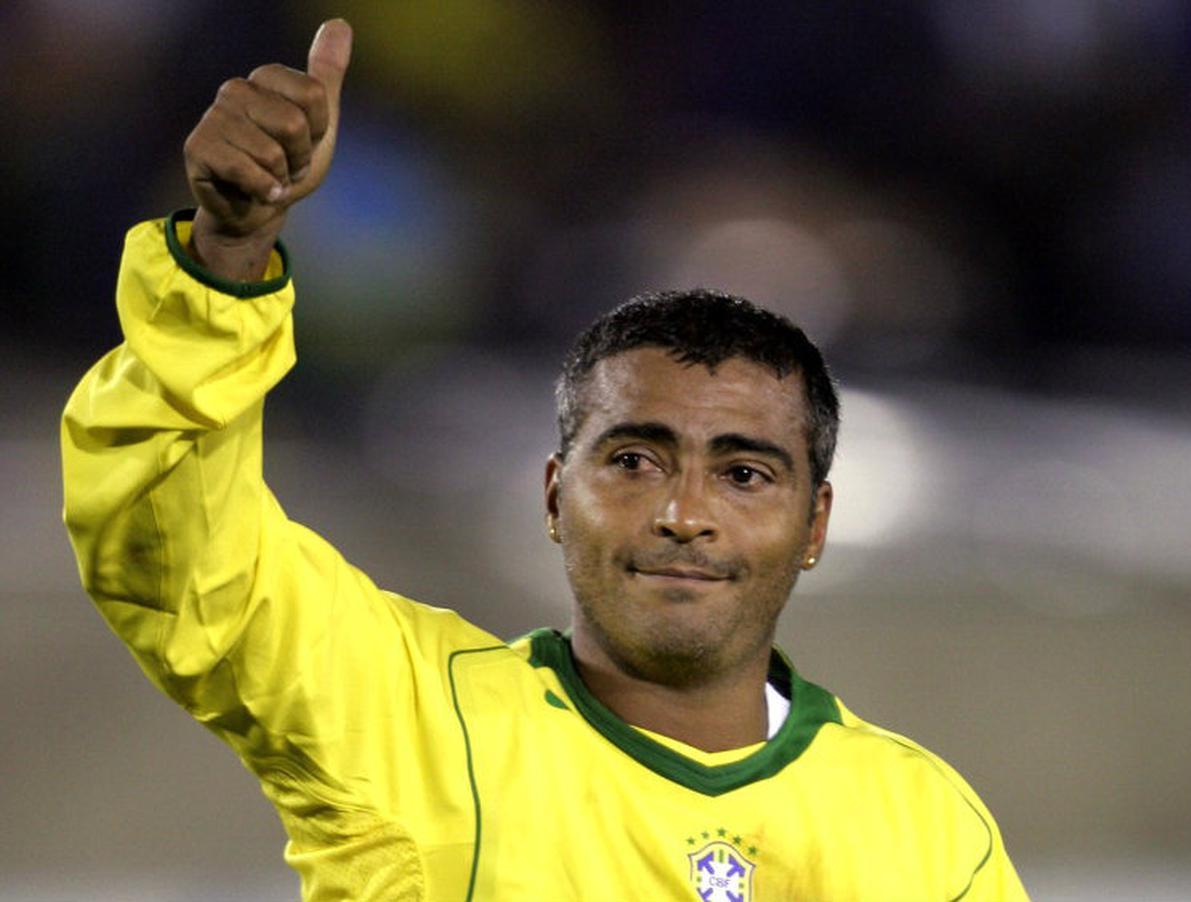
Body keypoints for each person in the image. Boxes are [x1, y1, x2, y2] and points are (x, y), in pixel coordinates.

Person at [61, 19, 1029, 902]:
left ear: (814, 524)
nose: (684, 514)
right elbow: (172, 555)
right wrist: (226, 259)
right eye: (636, 460)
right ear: (557, 496)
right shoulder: (408, 720)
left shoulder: (927, 834)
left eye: (743, 473)